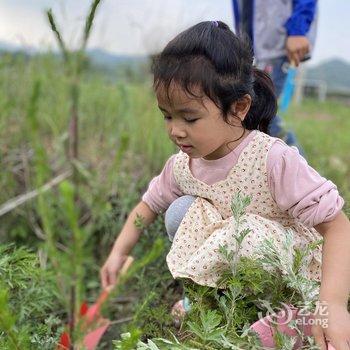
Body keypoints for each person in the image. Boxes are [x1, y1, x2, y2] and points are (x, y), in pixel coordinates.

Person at [100, 21, 350, 349]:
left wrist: (331, 303)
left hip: (289, 268)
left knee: (238, 236)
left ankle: (295, 312)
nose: (176, 131)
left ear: (239, 107)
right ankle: (219, 303)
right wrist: (118, 253)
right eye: (167, 116)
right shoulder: (182, 166)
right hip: (237, 266)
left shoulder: (271, 158)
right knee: (180, 212)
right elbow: (147, 206)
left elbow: (337, 227)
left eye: (189, 118)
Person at [232, 0, 317, 148]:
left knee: (258, 112)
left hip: (277, 44)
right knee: (250, 112)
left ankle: (299, 168)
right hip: (251, 49)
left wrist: (298, 29)